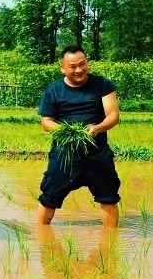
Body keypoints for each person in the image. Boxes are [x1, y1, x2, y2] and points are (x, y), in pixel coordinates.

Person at [37, 46, 121, 227]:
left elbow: (113, 115)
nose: (78, 70)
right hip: (64, 154)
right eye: (72, 66)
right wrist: (66, 130)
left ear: (87, 63)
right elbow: (46, 122)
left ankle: (111, 244)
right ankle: (41, 237)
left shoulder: (103, 84)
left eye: (82, 64)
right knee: (49, 196)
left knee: (108, 197)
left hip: (97, 152)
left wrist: (97, 128)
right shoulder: (53, 90)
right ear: (63, 68)